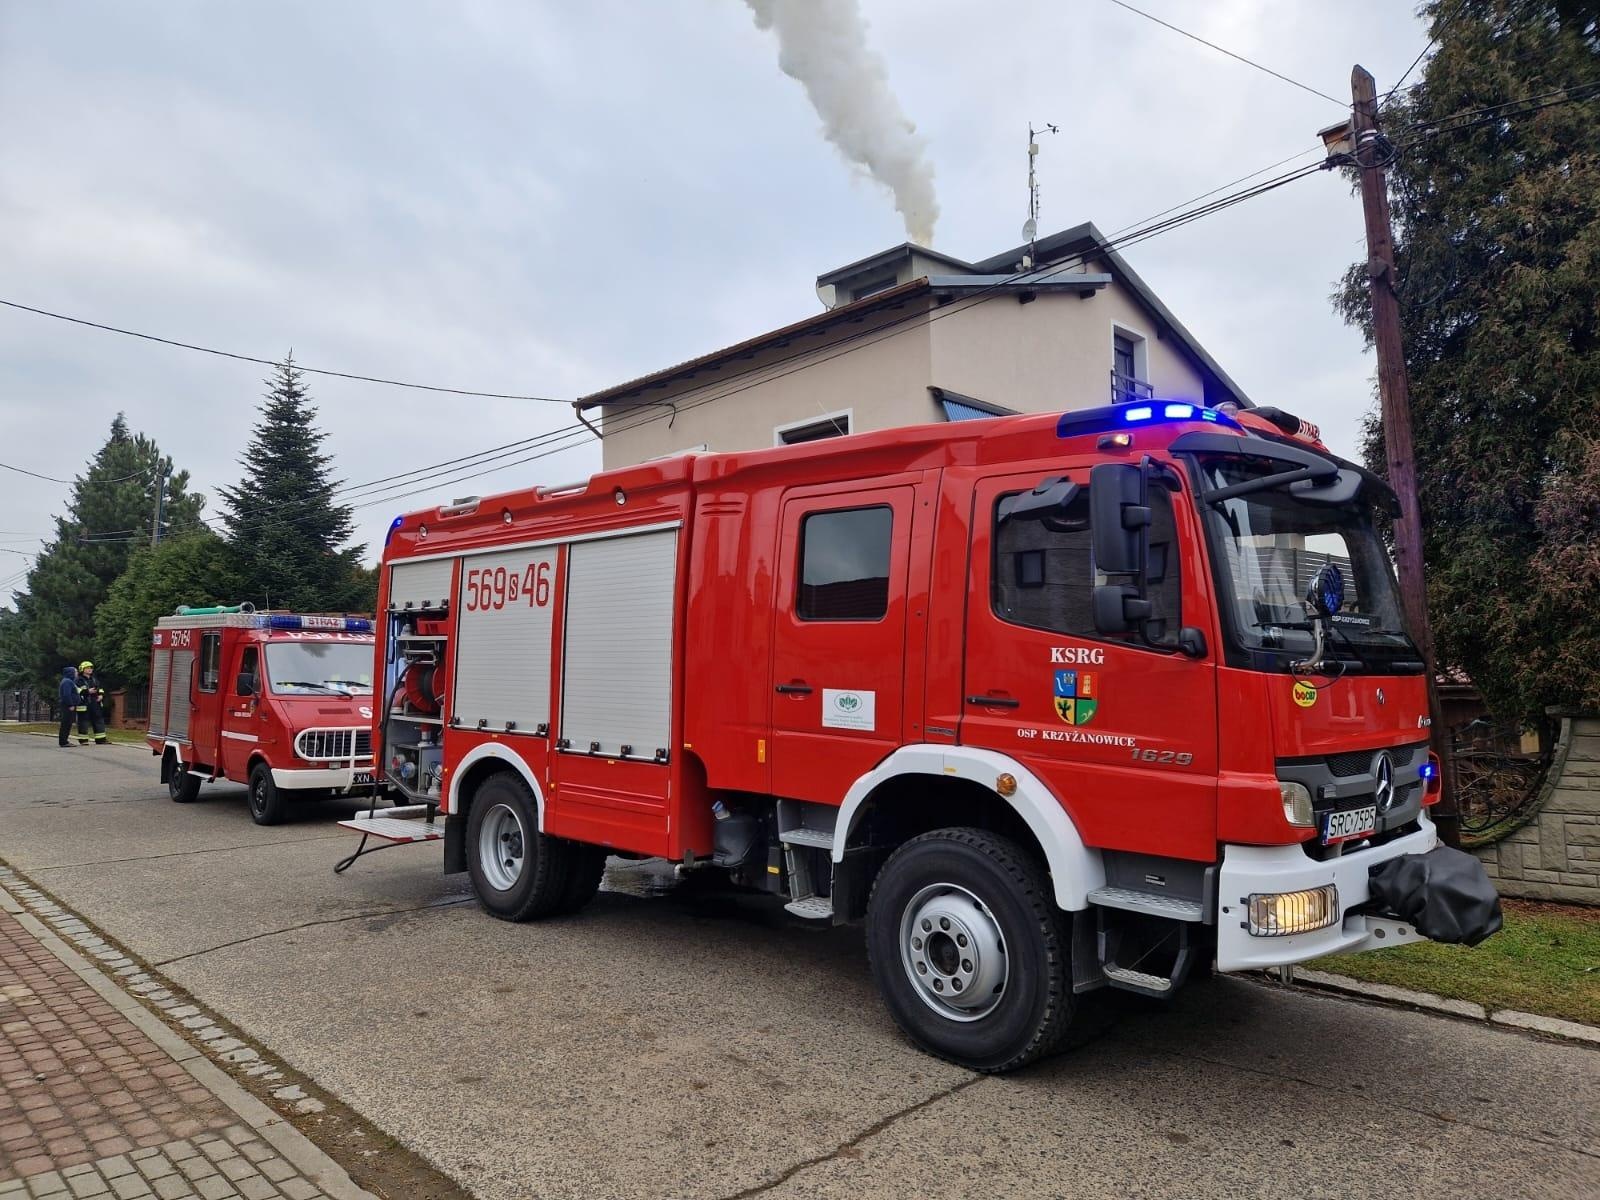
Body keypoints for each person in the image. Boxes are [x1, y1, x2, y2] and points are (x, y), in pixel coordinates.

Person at [77, 660, 108, 745]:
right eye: (87, 668)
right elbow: (77, 690)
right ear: (82, 669)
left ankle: (101, 739)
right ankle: (83, 740)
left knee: (99, 720)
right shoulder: (78, 680)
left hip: (95, 703)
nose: (90, 669)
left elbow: (100, 688)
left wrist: (101, 695)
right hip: (84, 704)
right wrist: (87, 691)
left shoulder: (94, 679)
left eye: (91, 668)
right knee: (83, 722)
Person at [57, 665, 78, 747]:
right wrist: (71, 704)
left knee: (67, 723)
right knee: (66, 723)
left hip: (68, 705)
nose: (77, 673)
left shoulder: (68, 681)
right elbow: (66, 695)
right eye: (75, 672)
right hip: (67, 705)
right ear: (71, 673)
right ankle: (63, 741)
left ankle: (64, 740)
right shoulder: (67, 682)